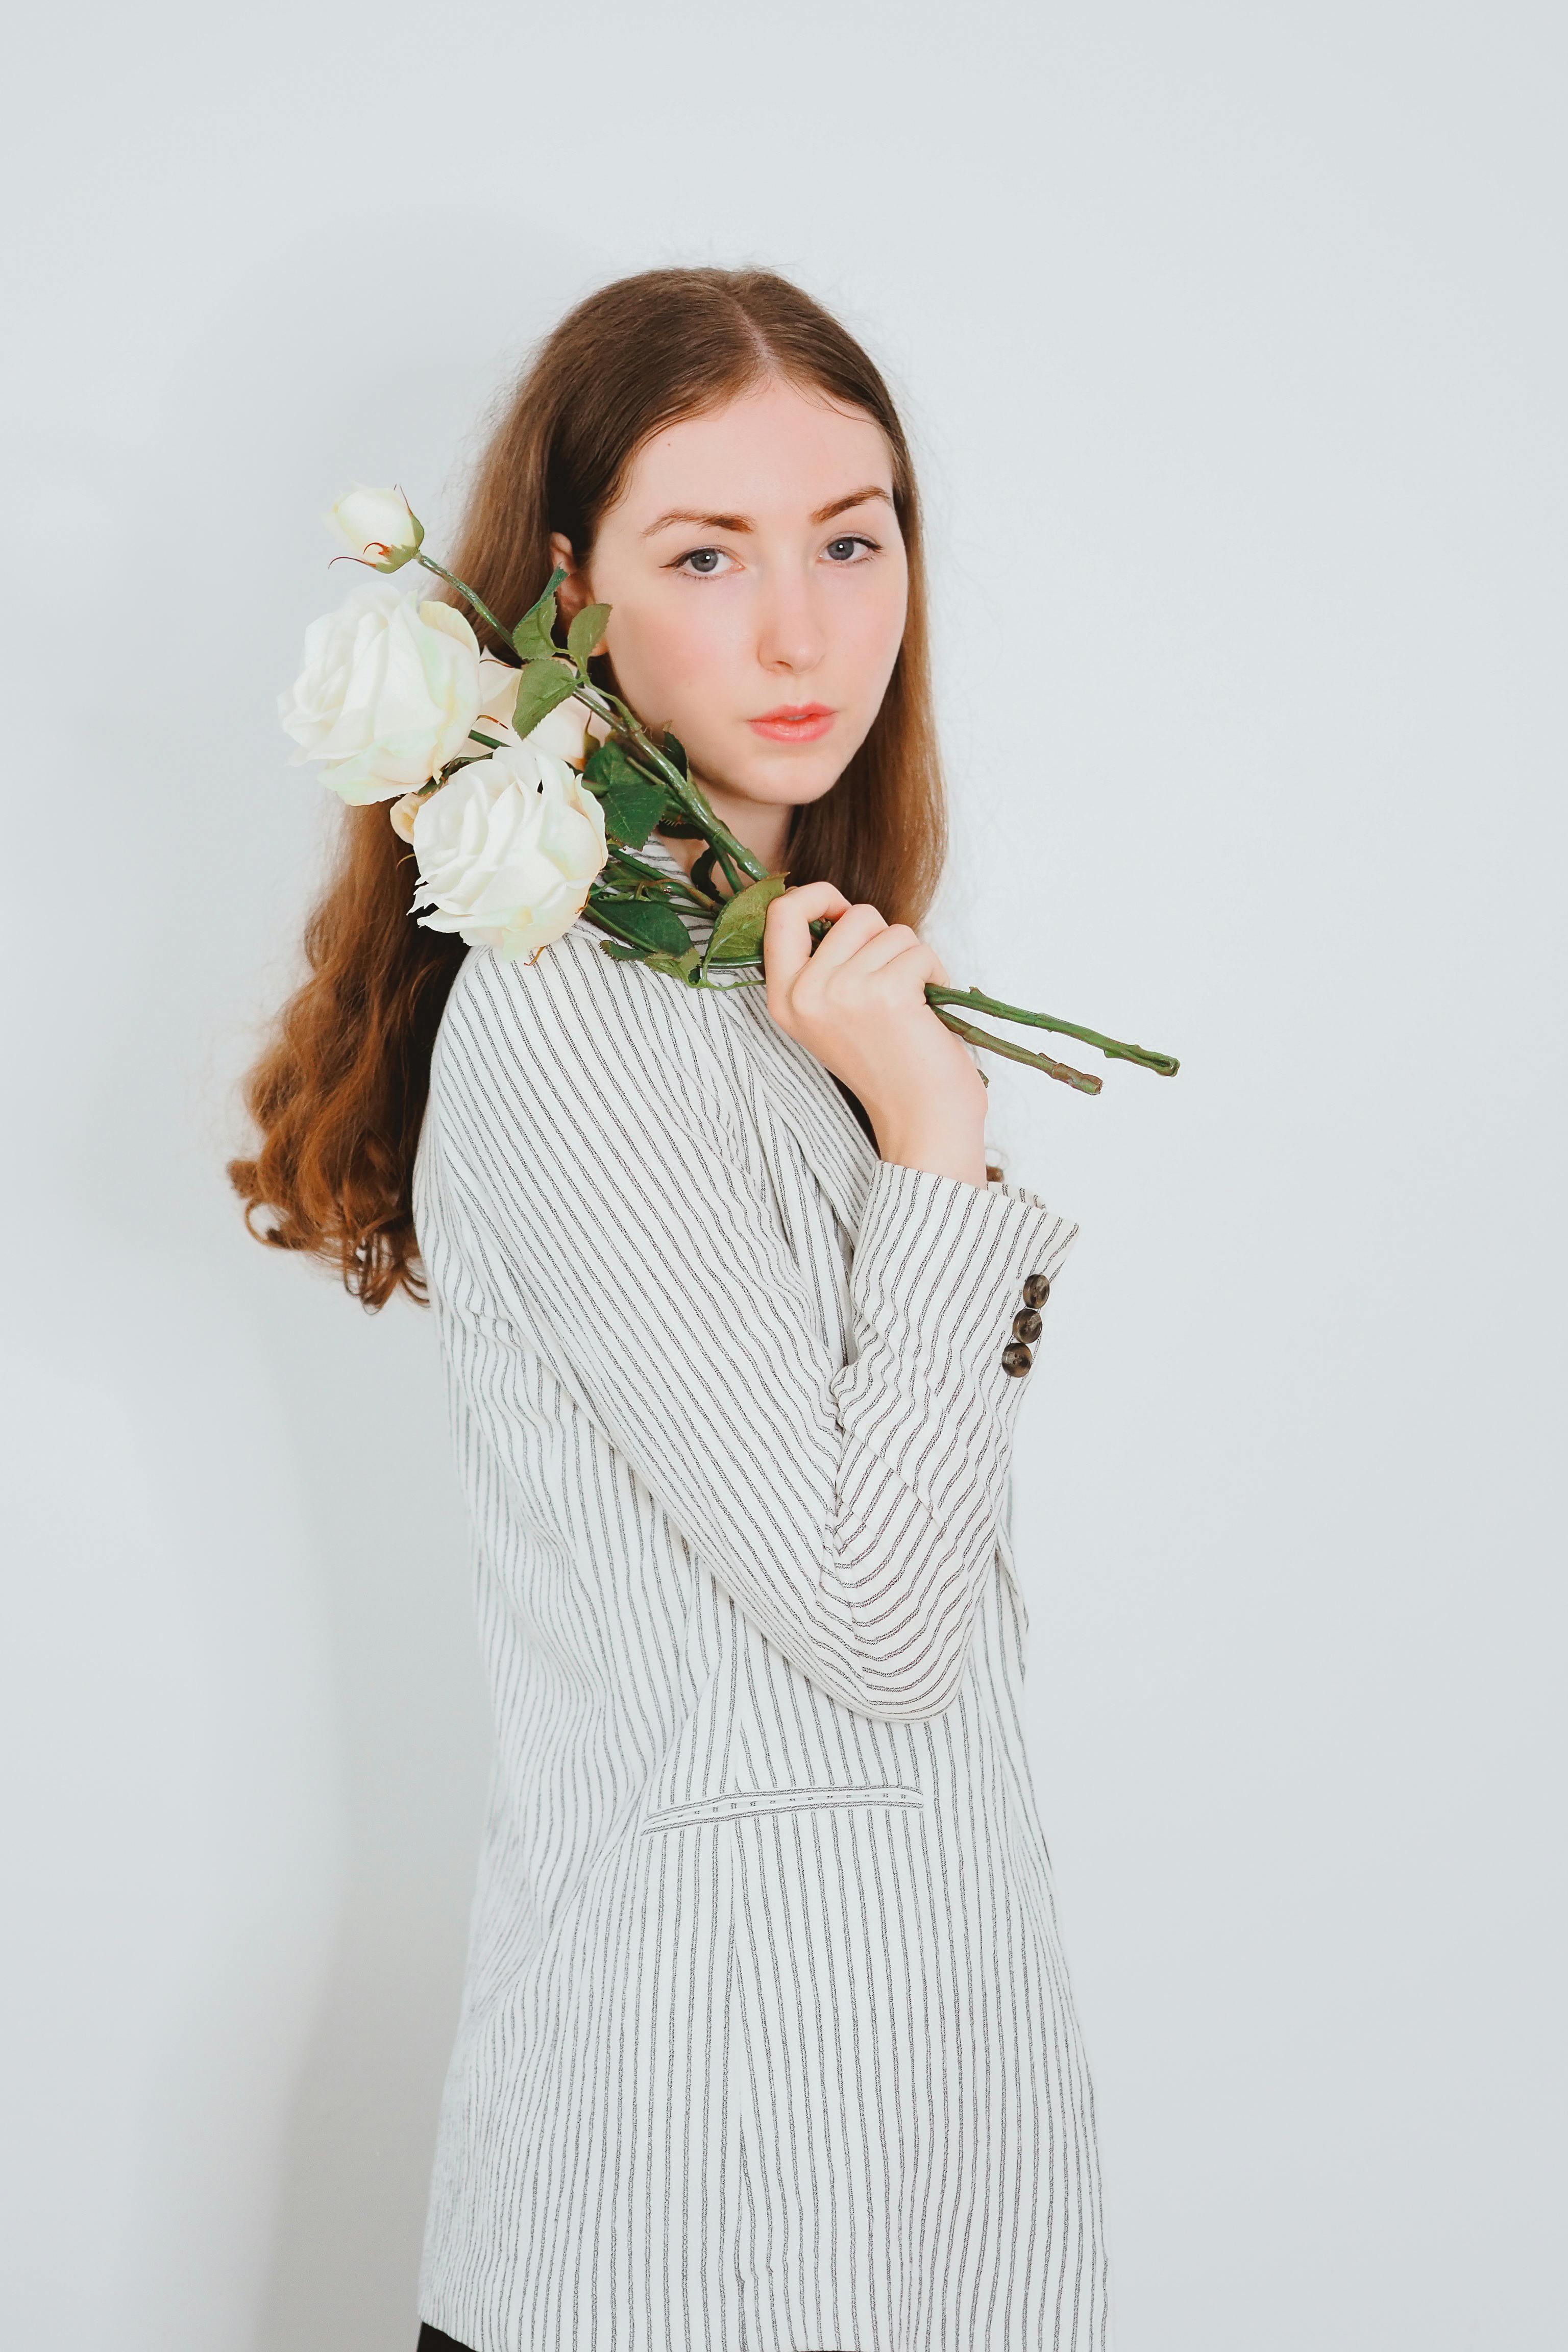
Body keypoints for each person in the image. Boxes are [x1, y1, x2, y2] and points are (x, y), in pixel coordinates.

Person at [231, 266, 1109, 2352]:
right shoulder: (588, 1035)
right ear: (570, 598)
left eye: (852, 536)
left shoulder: (755, 1002)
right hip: (709, 2193)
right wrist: (935, 1143)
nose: (801, 628)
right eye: (706, 552)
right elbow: (880, 1621)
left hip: (880, 2152)